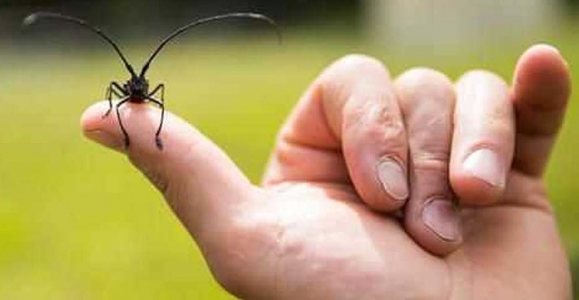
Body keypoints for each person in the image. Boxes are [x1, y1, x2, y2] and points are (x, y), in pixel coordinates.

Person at [80, 44, 572, 299]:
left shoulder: (151, 94)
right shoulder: (126, 98)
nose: (141, 88)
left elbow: (154, 93)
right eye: (135, 88)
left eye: (142, 87)